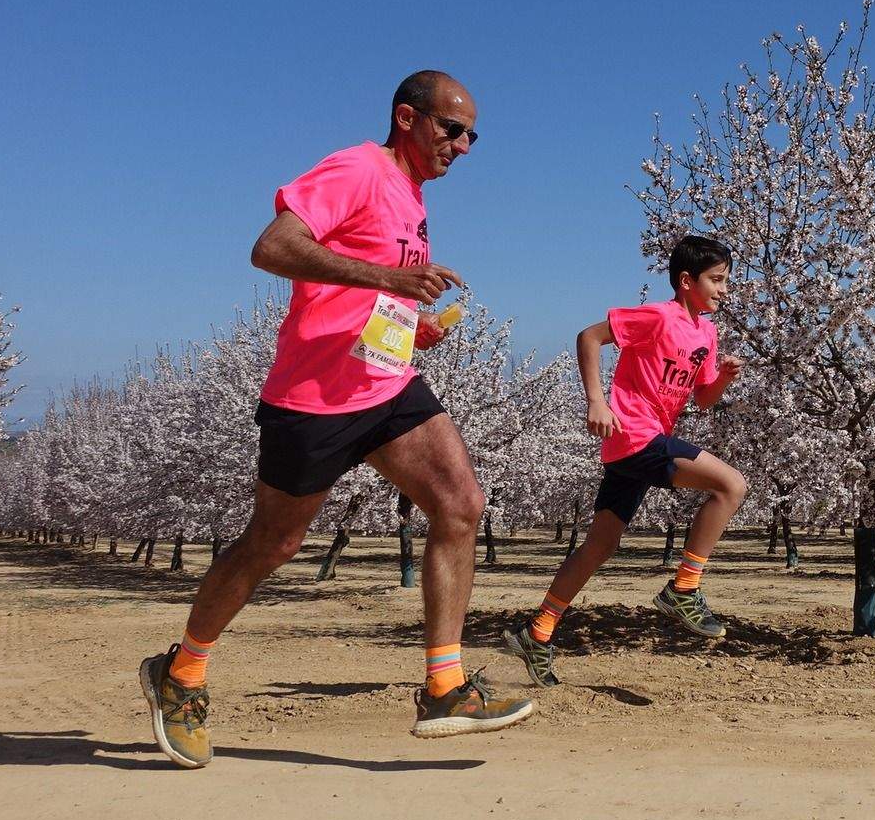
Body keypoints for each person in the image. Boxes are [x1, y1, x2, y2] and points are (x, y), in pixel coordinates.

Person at [138, 70, 533, 769]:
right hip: (314, 398)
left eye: (473, 135)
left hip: (387, 383)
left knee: (461, 503)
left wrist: (408, 324)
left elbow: (366, 293)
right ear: (407, 118)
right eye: (452, 129)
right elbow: (272, 248)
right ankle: (182, 673)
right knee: (273, 543)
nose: (463, 146)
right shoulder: (357, 169)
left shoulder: (410, 193)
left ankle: (445, 687)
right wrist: (389, 279)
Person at [502, 235, 747, 685]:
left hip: (637, 444)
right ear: (687, 281)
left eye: (726, 281)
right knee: (731, 485)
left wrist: (724, 379)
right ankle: (684, 588)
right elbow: (590, 337)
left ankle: (537, 632)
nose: (724, 290)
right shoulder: (659, 316)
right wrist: (597, 401)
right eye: (717, 280)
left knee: (600, 546)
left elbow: (704, 399)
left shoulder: (707, 334)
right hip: (635, 434)